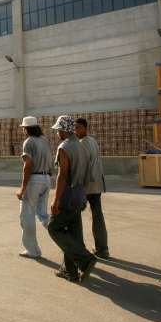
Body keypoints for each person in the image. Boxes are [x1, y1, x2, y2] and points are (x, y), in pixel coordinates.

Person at [47, 115, 97, 282]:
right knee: (73, 235)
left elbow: (62, 176)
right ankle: (70, 271)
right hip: (80, 195)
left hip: (67, 195)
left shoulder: (65, 147)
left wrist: (56, 200)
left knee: (54, 228)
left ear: (64, 130)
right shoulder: (81, 145)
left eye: (58, 130)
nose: (57, 133)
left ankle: (85, 259)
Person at [16, 116, 52, 258]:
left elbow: (28, 167)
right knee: (43, 215)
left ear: (26, 128)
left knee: (27, 215)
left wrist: (22, 189)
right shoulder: (44, 140)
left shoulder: (28, 142)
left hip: (35, 180)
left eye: (23, 128)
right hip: (46, 178)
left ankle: (32, 250)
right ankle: (62, 234)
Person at [74, 118, 109, 258]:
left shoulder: (81, 143)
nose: (76, 130)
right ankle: (102, 248)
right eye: (74, 128)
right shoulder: (92, 140)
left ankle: (80, 250)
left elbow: (82, 167)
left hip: (86, 184)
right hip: (97, 183)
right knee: (97, 215)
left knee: (75, 217)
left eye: (78, 128)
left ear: (85, 128)